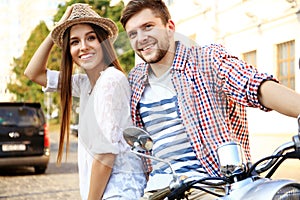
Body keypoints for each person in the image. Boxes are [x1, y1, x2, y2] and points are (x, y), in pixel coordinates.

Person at [120, 0, 300, 198]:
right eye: (133, 34)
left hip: (211, 185)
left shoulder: (206, 59)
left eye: (148, 27)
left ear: (169, 27)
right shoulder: (135, 80)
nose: (141, 38)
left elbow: (254, 86)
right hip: (157, 190)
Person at [24, 3, 146, 200]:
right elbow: (33, 72)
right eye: (74, 42)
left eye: (91, 38)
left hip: (120, 193)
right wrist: (59, 27)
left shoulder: (110, 80)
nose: (83, 46)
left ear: (103, 42)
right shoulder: (85, 84)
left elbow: (105, 154)